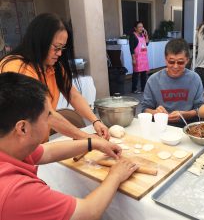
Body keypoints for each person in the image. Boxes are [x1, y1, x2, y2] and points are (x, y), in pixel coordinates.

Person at [0, 72, 138, 220]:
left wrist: (93, 143)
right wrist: (115, 176)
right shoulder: (16, 191)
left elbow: (47, 152)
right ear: (22, 128)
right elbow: (88, 212)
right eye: (48, 116)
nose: (51, 121)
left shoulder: (12, 147)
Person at [0, 13, 109, 141]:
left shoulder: (52, 66)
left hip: (36, 145)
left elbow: (73, 94)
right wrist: (86, 138)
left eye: (62, 48)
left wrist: (95, 121)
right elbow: (47, 114)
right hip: (14, 149)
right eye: (56, 48)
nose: (60, 53)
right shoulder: (17, 67)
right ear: (40, 42)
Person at [141, 38, 204, 127]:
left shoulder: (195, 79)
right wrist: (155, 112)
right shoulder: (153, 80)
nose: (175, 66)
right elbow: (145, 109)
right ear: (165, 59)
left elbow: (200, 109)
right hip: (160, 126)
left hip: (187, 127)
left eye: (180, 62)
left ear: (187, 60)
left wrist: (185, 114)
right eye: (171, 62)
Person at [129, 21, 150, 93]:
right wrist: (133, 59)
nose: (141, 28)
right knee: (136, 74)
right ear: (135, 28)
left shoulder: (143, 35)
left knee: (144, 74)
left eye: (142, 26)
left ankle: (143, 88)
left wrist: (146, 35)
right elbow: (131, 48)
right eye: (139, 27)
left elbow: (147, 43)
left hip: (143, 58)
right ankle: (134, 89)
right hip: (137, 58)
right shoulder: (133, 36)